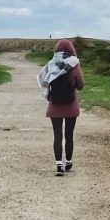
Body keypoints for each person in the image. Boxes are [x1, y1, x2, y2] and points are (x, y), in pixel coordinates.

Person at [40, 40, 84, 176]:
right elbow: (80, 85)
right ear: (71, 50)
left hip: (55, 105)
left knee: (57, 135)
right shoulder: (74, 63)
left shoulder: (50, 64)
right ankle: (68, 161)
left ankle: (59, 164)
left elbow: (44, 82)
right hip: (71, 105)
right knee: (69, 135)